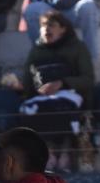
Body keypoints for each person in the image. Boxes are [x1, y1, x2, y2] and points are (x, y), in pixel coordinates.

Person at [18, 10, 95, 171]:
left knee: (62, 109)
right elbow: (29, 81)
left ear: (63, 29)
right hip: (42, 97)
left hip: (70, 96)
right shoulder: (36, 51)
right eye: (43, 25)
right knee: (31, 111)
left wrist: (62, 83)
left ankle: (66, 154)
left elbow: (88, 79)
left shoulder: (77, 48)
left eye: (51, 25)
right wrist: (21, 86)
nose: (46, 29)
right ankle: (49, 155)